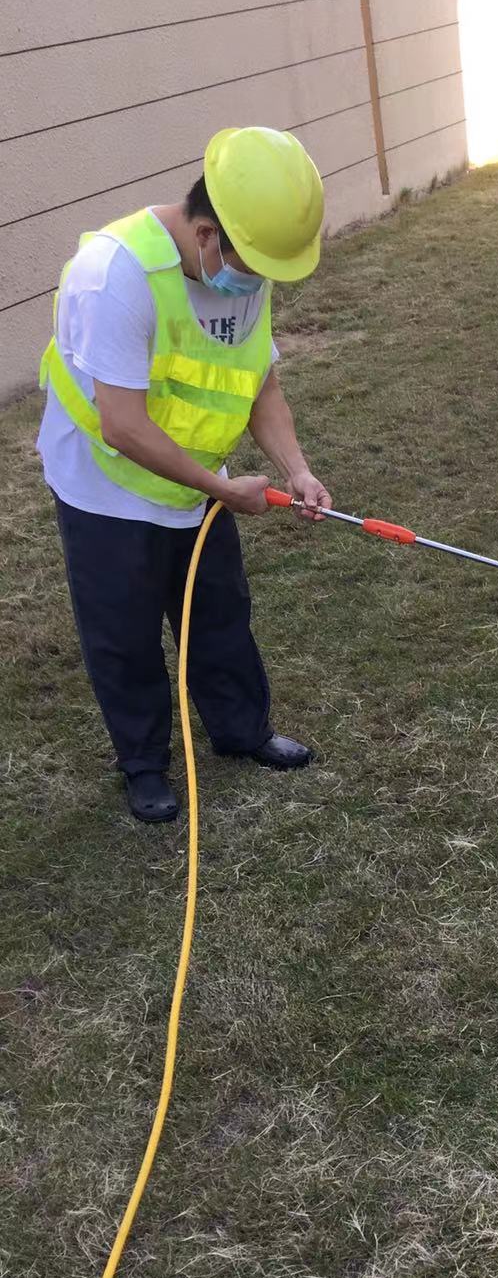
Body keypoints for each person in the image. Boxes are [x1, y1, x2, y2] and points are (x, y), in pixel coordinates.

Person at [37, 125, 332, 823]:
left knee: (219, 615)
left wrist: (297, 469)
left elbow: (260, 386)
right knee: (125, 634)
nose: (254, 284)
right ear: (206, 234)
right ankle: (143, 766)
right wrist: (224, 491)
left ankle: (242, 732)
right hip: (107, 486)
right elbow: (124, 425)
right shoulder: (116, 276)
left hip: (196, 477)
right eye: (250, 266)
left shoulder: (239, 268)